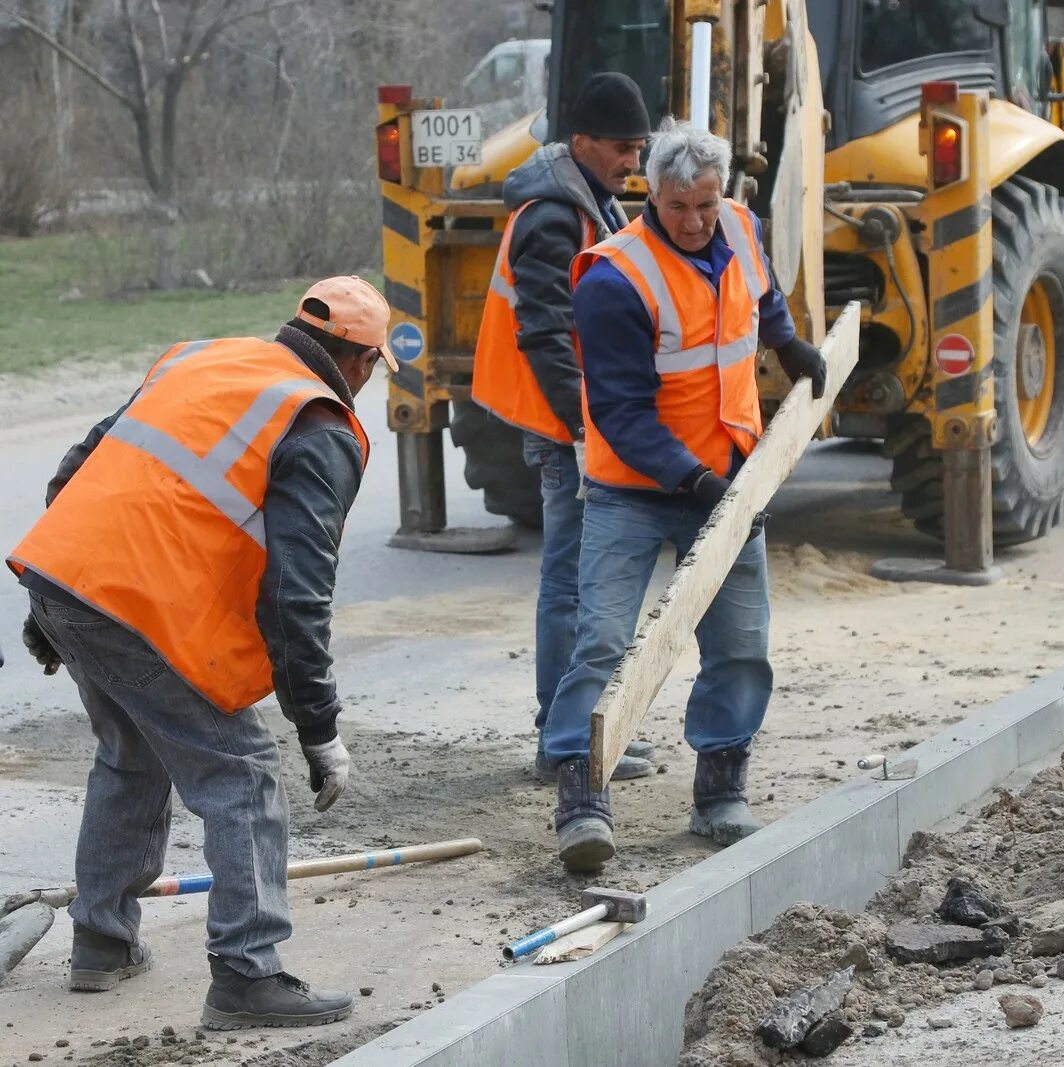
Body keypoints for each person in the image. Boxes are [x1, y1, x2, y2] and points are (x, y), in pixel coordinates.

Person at [8, 277, 394, 1030]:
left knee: (132, 754)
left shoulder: (204, 358)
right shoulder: (316, 424)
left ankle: (103, 939)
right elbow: (296, 597)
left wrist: (57, 604)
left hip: (66, 580)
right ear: (359, 362)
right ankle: (248, 974)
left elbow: (79, 468)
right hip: (130, 610)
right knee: (242, 774)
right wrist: (319, 730)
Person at [542, 119, 827, 871]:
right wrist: (696, 479)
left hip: (728, 476)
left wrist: (787, 340)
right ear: (649, 198)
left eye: (706, 203)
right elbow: (622, 414)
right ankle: (581, 798)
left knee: (740, 644)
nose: (697, 221)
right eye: (679, 208)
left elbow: (758, 295)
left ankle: (721, 792)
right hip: (632, 489)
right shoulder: (614, 280)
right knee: (603, 640)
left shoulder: (741, 225)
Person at [470, 72, 658, 782]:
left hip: (583, 420)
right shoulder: (555, 214)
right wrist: (584, 427)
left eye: (638, 147)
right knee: (574, 581)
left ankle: (578, 730)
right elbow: (546, 333)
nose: (631, 161)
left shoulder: (586, 199)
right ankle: (564, 740)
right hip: (566, 426)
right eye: (620, 146)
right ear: (581, 141)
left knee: (584, 580)